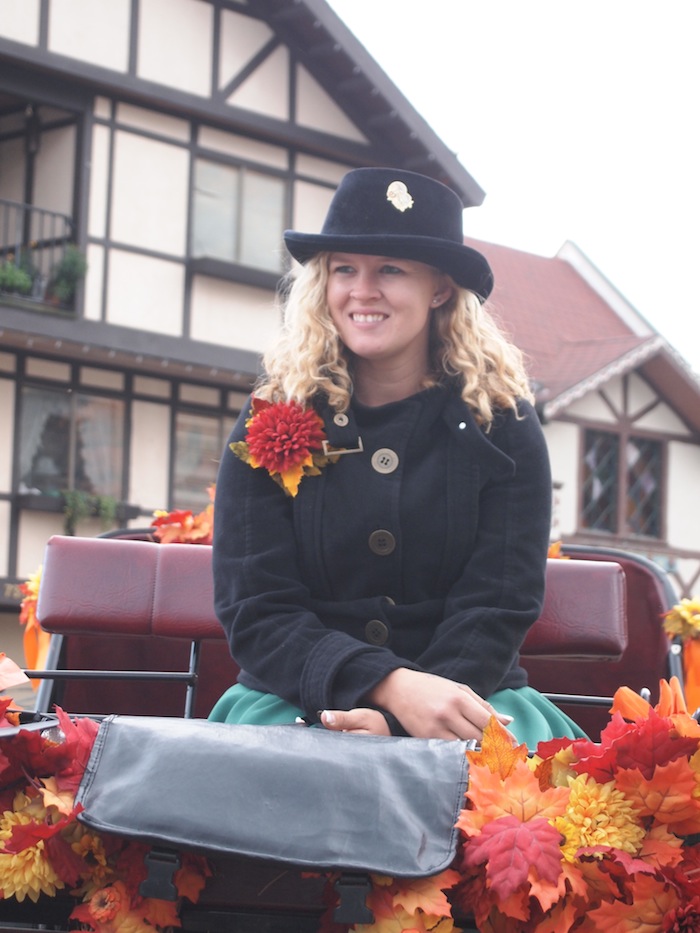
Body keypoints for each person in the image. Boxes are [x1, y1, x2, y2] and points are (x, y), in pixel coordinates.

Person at [209, 167, 585, 748]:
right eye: (344, 269)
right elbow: (257, 609)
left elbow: (499, 604)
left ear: (439, 288)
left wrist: (409, 714)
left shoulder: (502, 423)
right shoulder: (274, 415)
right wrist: (382, 687)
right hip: (298, 698)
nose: (362, 290)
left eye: (390, 269)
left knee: (515, 824)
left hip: (471, 697)